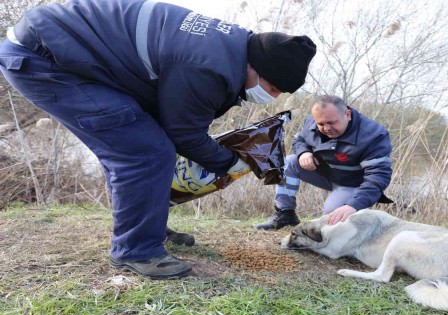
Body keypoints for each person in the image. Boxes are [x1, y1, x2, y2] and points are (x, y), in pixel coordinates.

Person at [0, 0, 316, 279]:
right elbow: (183, 133)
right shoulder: (209, 65)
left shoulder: (229, 46)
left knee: (141, 142)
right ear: (256, 67)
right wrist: (229, 163)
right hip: (43, 59)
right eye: (273, 88)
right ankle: (136, 249)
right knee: (144, 152)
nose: (270, 96)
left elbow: (174, 117)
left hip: (65, 49)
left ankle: (147, 227)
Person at [255, 95, 393, 230]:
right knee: (288, 162)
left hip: (353, 184)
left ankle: (357, 222)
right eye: (321, 124)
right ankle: (285, 215)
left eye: (332, 123)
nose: (326, 128)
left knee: (333, 214)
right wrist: (304, 152)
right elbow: (299, 140)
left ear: (348, 114)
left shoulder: (373, 136)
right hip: (327, 173)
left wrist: (354, 205)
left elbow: (378, 177)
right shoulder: (312, 122)